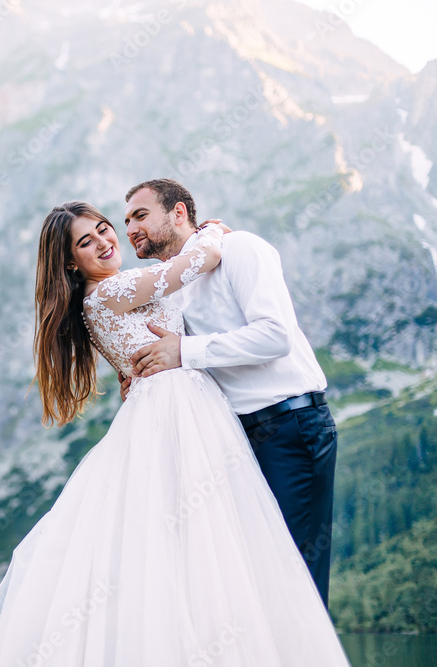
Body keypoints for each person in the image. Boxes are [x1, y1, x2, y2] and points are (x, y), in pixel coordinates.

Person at [0, 201, 349, 666]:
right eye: (87, 242)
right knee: (209, 538)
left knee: (197, 542)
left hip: (183, 406)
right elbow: (196, 264)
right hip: (177, 412)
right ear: (70, 261)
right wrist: (209, 232)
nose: (107, 241)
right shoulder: (110, 291)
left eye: (106, 230)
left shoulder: (109, 294)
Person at [122, 178, 337, 610]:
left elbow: (275, 336)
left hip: (290, 427)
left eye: (140, 215)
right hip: (230, 440)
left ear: (178, 212)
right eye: (125, 220)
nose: (129, 229)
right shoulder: (177, 283)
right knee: (246, 582)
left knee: (295, 583)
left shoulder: (241, 249)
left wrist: (182, 351)